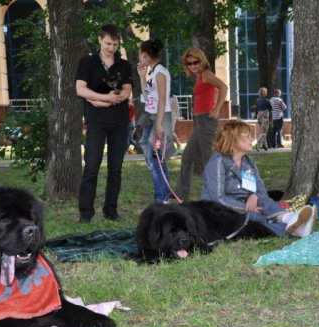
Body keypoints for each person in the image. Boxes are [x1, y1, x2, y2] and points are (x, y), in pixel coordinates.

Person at [201, 119, 316, 237]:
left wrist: (255, 196)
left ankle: (291, 219)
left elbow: (260, 188)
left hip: (246, 203)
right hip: (220, 210)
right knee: (255, 216)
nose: (252, 139)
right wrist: (245, 208)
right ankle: (293, 229)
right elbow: (218, 198)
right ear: (233, 140)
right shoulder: (218, 161)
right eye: (247, 136)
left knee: (265, 202)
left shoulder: (248, 161)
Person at [75, 24, 133, 223]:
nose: (112, 48)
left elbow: (127, 90)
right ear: (99, 39)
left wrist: (107, 100)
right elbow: (80, 90)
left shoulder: (124, 65)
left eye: (115, 44)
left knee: (115, 168)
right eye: (108, 43)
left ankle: (110, 210)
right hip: (96, 122)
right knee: (91, 166)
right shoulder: (87, 62)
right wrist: (103, 97)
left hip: (119, 122)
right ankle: (85, 212)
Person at [175, 47, 228, 202]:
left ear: (202, 60)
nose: (193, 66)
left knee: (209, 160)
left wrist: (217, 109)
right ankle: (182, 196)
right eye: (189, 63)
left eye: (195, 62)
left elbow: (224, 87)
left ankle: (214, 197)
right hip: (200, 121)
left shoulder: (206, 74)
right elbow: (213, 92)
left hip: (206, 120)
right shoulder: (200, 76)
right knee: (187, 157)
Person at [137, 38, 176, 205]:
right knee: (154, 157)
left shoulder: (160, 71)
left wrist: (159, 123)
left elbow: (162, 99)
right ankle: (165, 193)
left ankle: (161, 198)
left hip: (160, 117)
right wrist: (141, 76)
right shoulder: (152, 72)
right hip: (151, 116)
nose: (139, 57)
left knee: (154, 159)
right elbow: (147, 96)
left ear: (145, 55)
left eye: (140, 54)